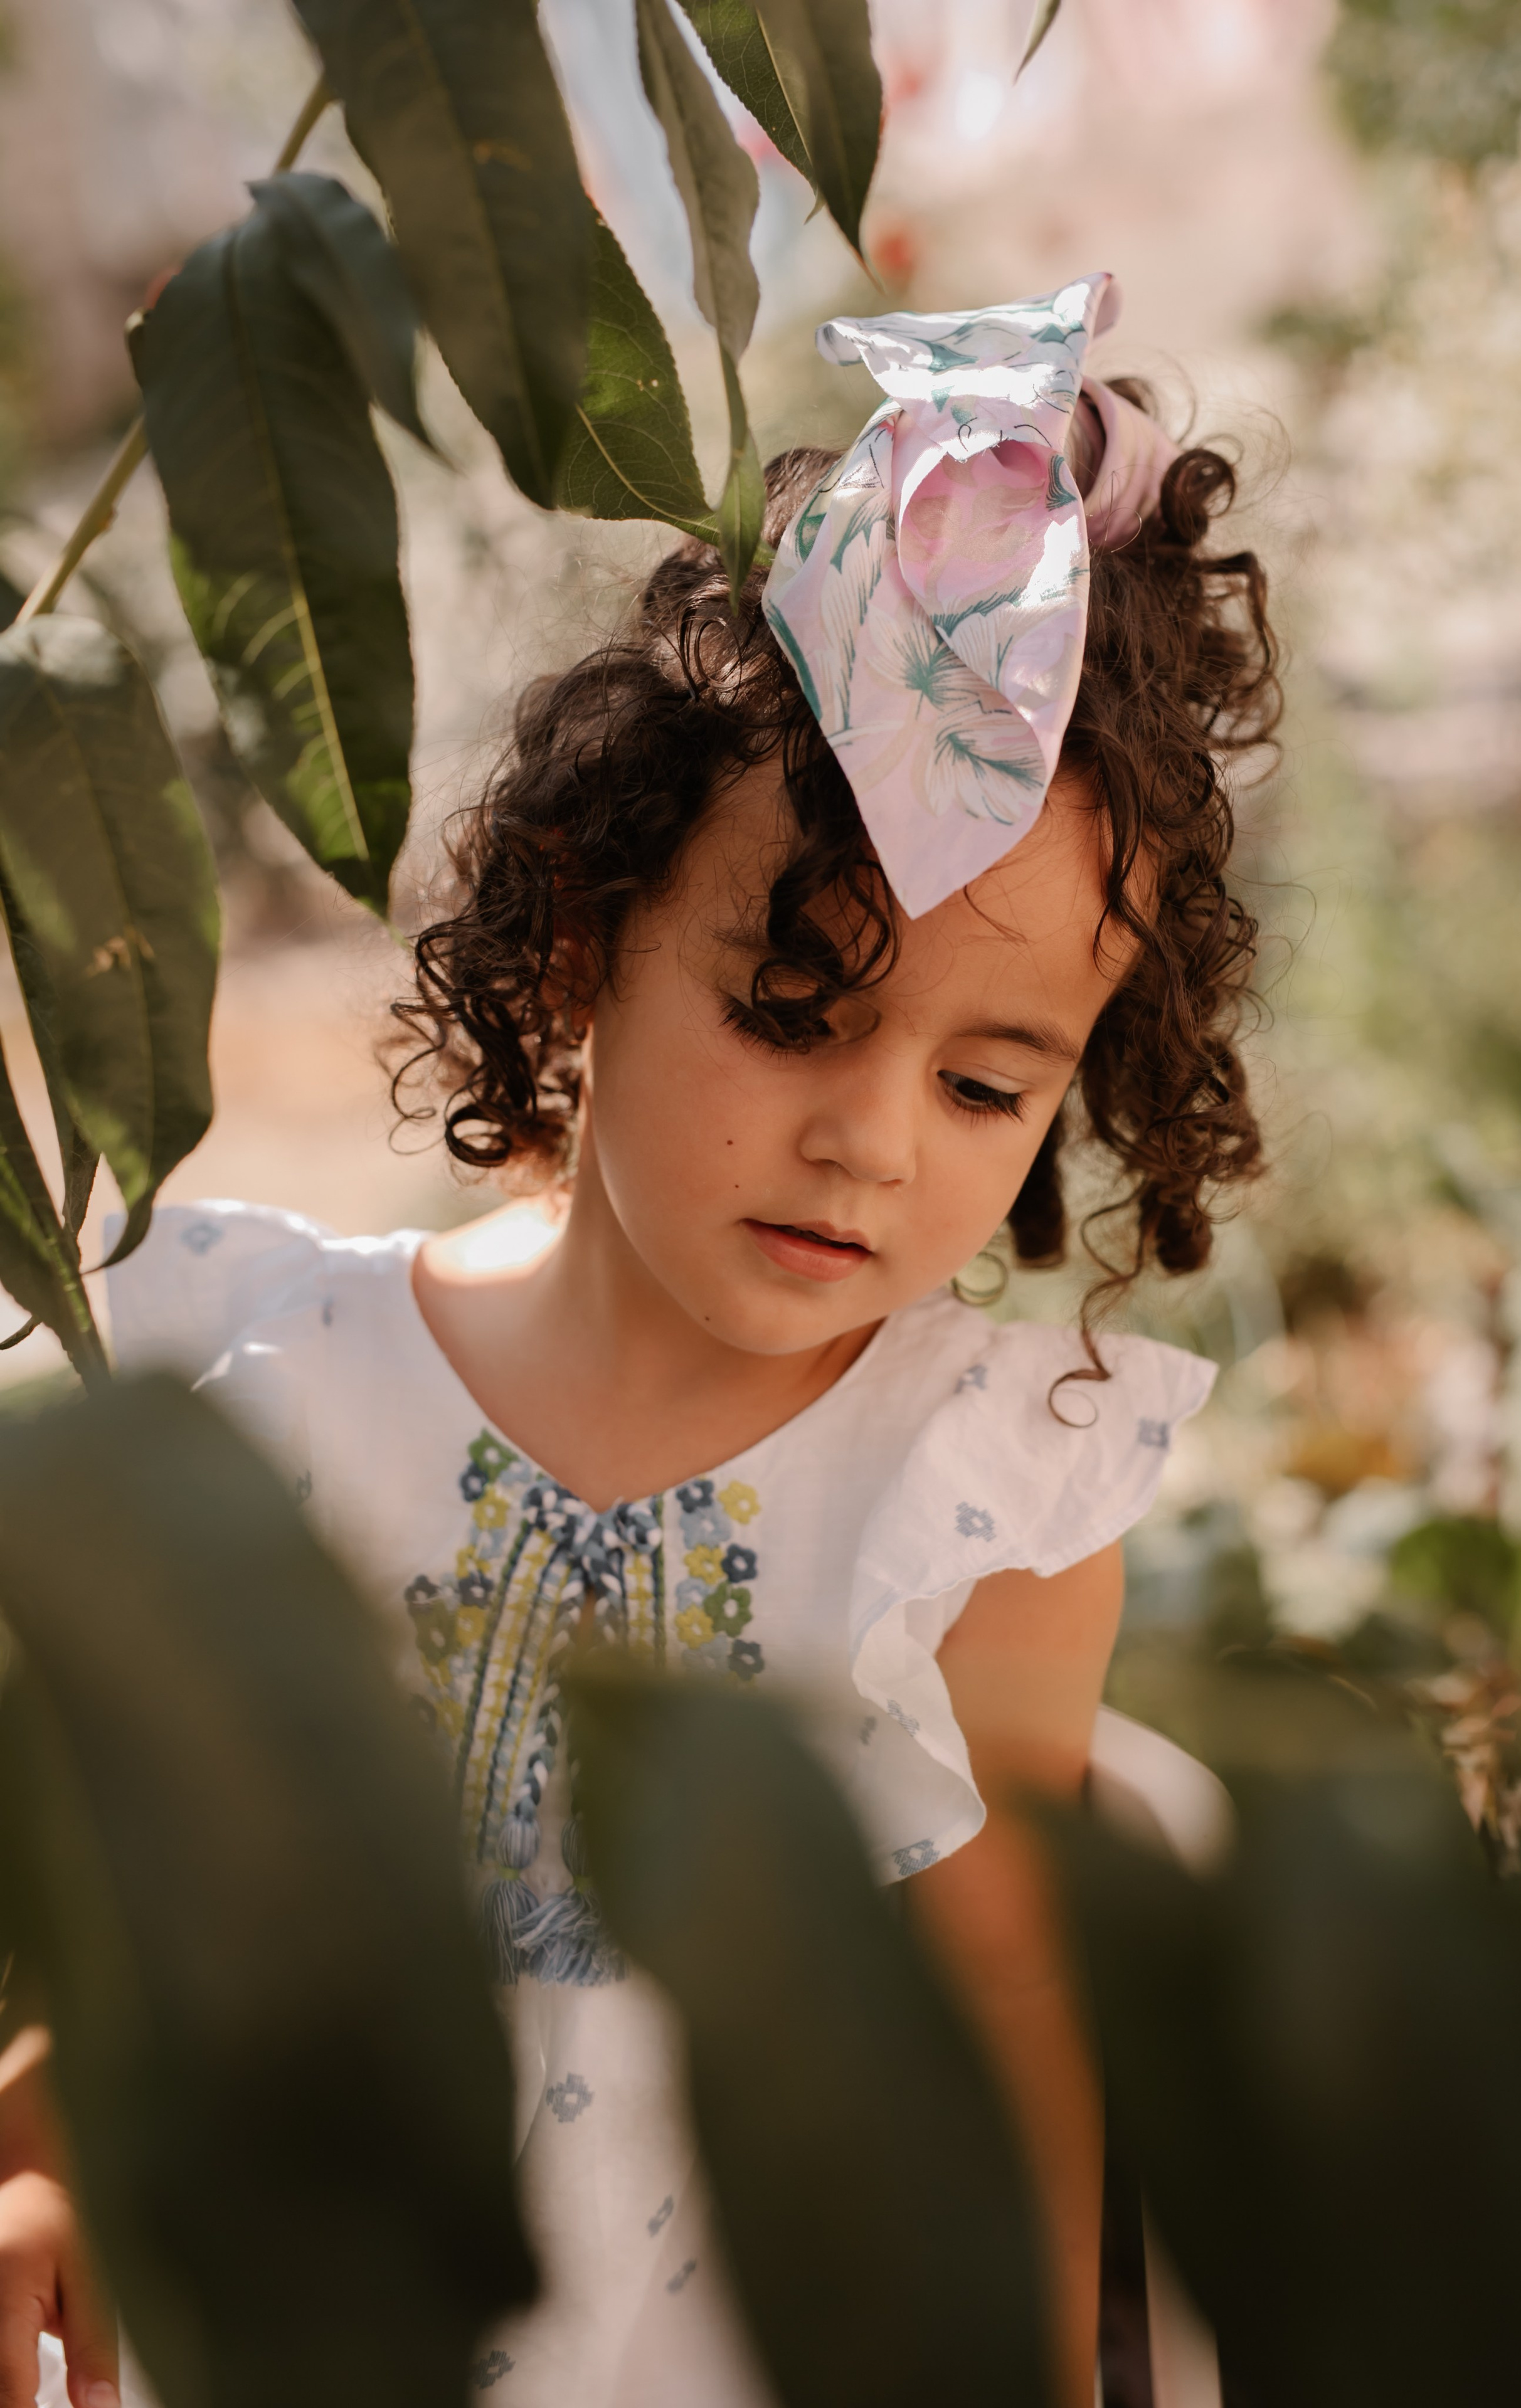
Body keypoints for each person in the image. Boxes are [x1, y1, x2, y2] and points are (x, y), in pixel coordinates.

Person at [4, 275, 1278, 2408]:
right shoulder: (268, 1389)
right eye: (794, 1010)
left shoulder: (984, 1506)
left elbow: (1003, 2062)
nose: (873, 1142)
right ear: (586, 931)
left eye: (988, 1083)